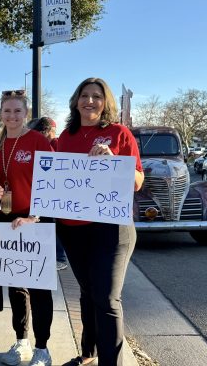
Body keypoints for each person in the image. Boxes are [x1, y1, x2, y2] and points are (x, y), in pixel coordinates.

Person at [57, 78, 144, 366]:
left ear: (106, 102)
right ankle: (88, 354)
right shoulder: (64, 138)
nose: (90, 101)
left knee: (106, 299)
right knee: (87, 293)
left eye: (97, 96)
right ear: (76, 100)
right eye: (84, 95)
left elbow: (137, 182)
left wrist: (113, 161)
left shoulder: (119, 134)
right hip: (73, 230)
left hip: (111, 230)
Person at [0, 90, 54, 366]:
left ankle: (43, 348)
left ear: (25, 114)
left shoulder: (38, 141)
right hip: (5, 219)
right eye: (7, 111)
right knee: (16, 285)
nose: (12, 116)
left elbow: (53, 185)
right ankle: (22, 342)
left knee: (39, 287)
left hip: (33, 220)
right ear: (1, 114)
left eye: (17, 111)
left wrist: (34, 218)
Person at [27, 117, 68, 271]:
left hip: (49, 193)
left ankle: (58, 257)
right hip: (47, 193)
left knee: (50, 224)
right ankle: (56, 256)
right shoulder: (51, 144)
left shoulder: (52, 146)